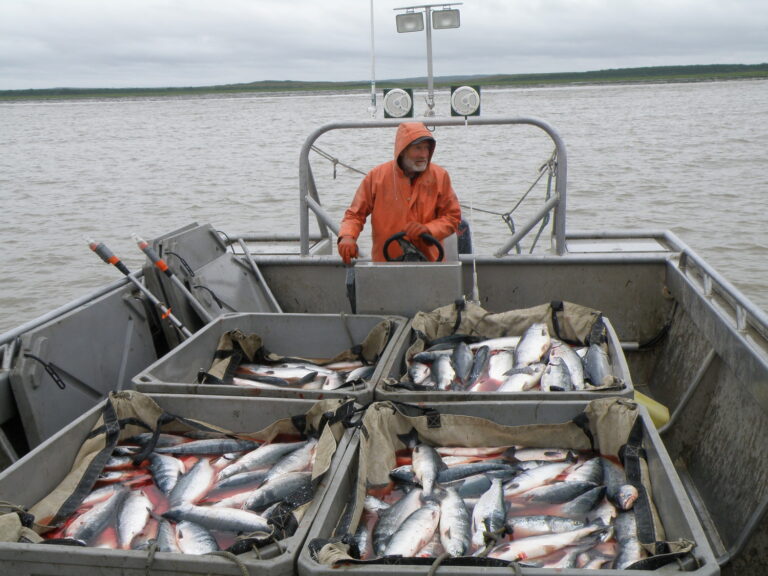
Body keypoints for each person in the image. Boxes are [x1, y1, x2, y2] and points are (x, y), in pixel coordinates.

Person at [337, 122, 461, 264]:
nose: (423, 154)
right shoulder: (376, 177)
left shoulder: (440, 176)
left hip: (430, 263)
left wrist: (429, 230)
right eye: (418, 148)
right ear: (402, 150)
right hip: (385, 263)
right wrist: (347, 236)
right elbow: (354, 215)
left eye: (426, 148)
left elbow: (453, 218)